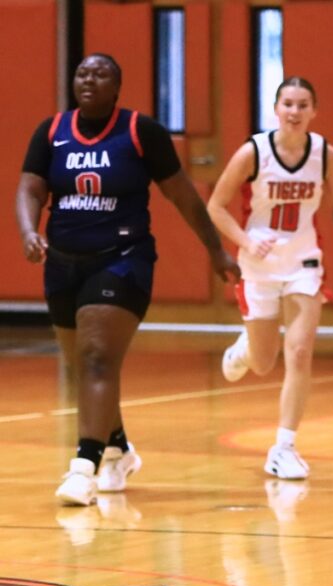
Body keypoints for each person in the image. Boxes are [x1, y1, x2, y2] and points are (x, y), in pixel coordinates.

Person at [15, 53, 239, 507]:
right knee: (84, 366)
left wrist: (215, 249)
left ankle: (84, 466)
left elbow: (182, 195)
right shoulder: (52, 131)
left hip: (122, 258)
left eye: (100, 74)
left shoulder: (140, 132)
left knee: (98, 357)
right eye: (82, 73)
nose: (89, 80)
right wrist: (27, 230)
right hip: (62, 260)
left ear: (117, 86)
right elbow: (30, 188)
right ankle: (118, 448)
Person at [207, 76, 333, 481]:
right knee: (263, 363)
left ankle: (284, 447)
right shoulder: (253, 153)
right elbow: (216, 207)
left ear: (314, 111)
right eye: (288, 104)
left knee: (299, 353)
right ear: (275, 109)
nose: (294, 112)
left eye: (302, 105)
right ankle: (245, 349)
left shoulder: (327, 156)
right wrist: (244, 241)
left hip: (303, 262)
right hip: (259, 263)